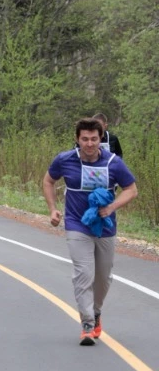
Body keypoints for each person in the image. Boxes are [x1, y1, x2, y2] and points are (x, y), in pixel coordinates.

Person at [42, 118, 137, 346]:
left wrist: (111, 207)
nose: (89, 144)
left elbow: (131, 190)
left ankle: (96, 312)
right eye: (84, 139)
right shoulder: (65, 160)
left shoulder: (113, 162)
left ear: (101, 139)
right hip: (76, 224)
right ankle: (86, 324)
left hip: (105, 226)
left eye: (94, 139)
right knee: (84, 273)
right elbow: (48, 181)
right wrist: (53, 209)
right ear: (77, 139)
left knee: (103, 277)